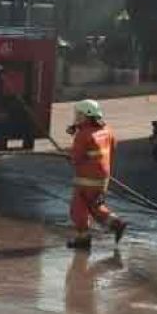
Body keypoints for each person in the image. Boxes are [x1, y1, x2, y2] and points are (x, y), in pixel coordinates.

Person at [67, 99, 127, 251]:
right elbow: (112, 147)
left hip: (86, 179)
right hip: (102, 178)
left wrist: (71, 155)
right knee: (95, 206)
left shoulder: (83, 134)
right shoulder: (107, 130)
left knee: (78, 207)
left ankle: (83, 238)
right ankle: (116, 223)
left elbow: (76, 158)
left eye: (78, 114)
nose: (76, 116)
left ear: (86, 115)